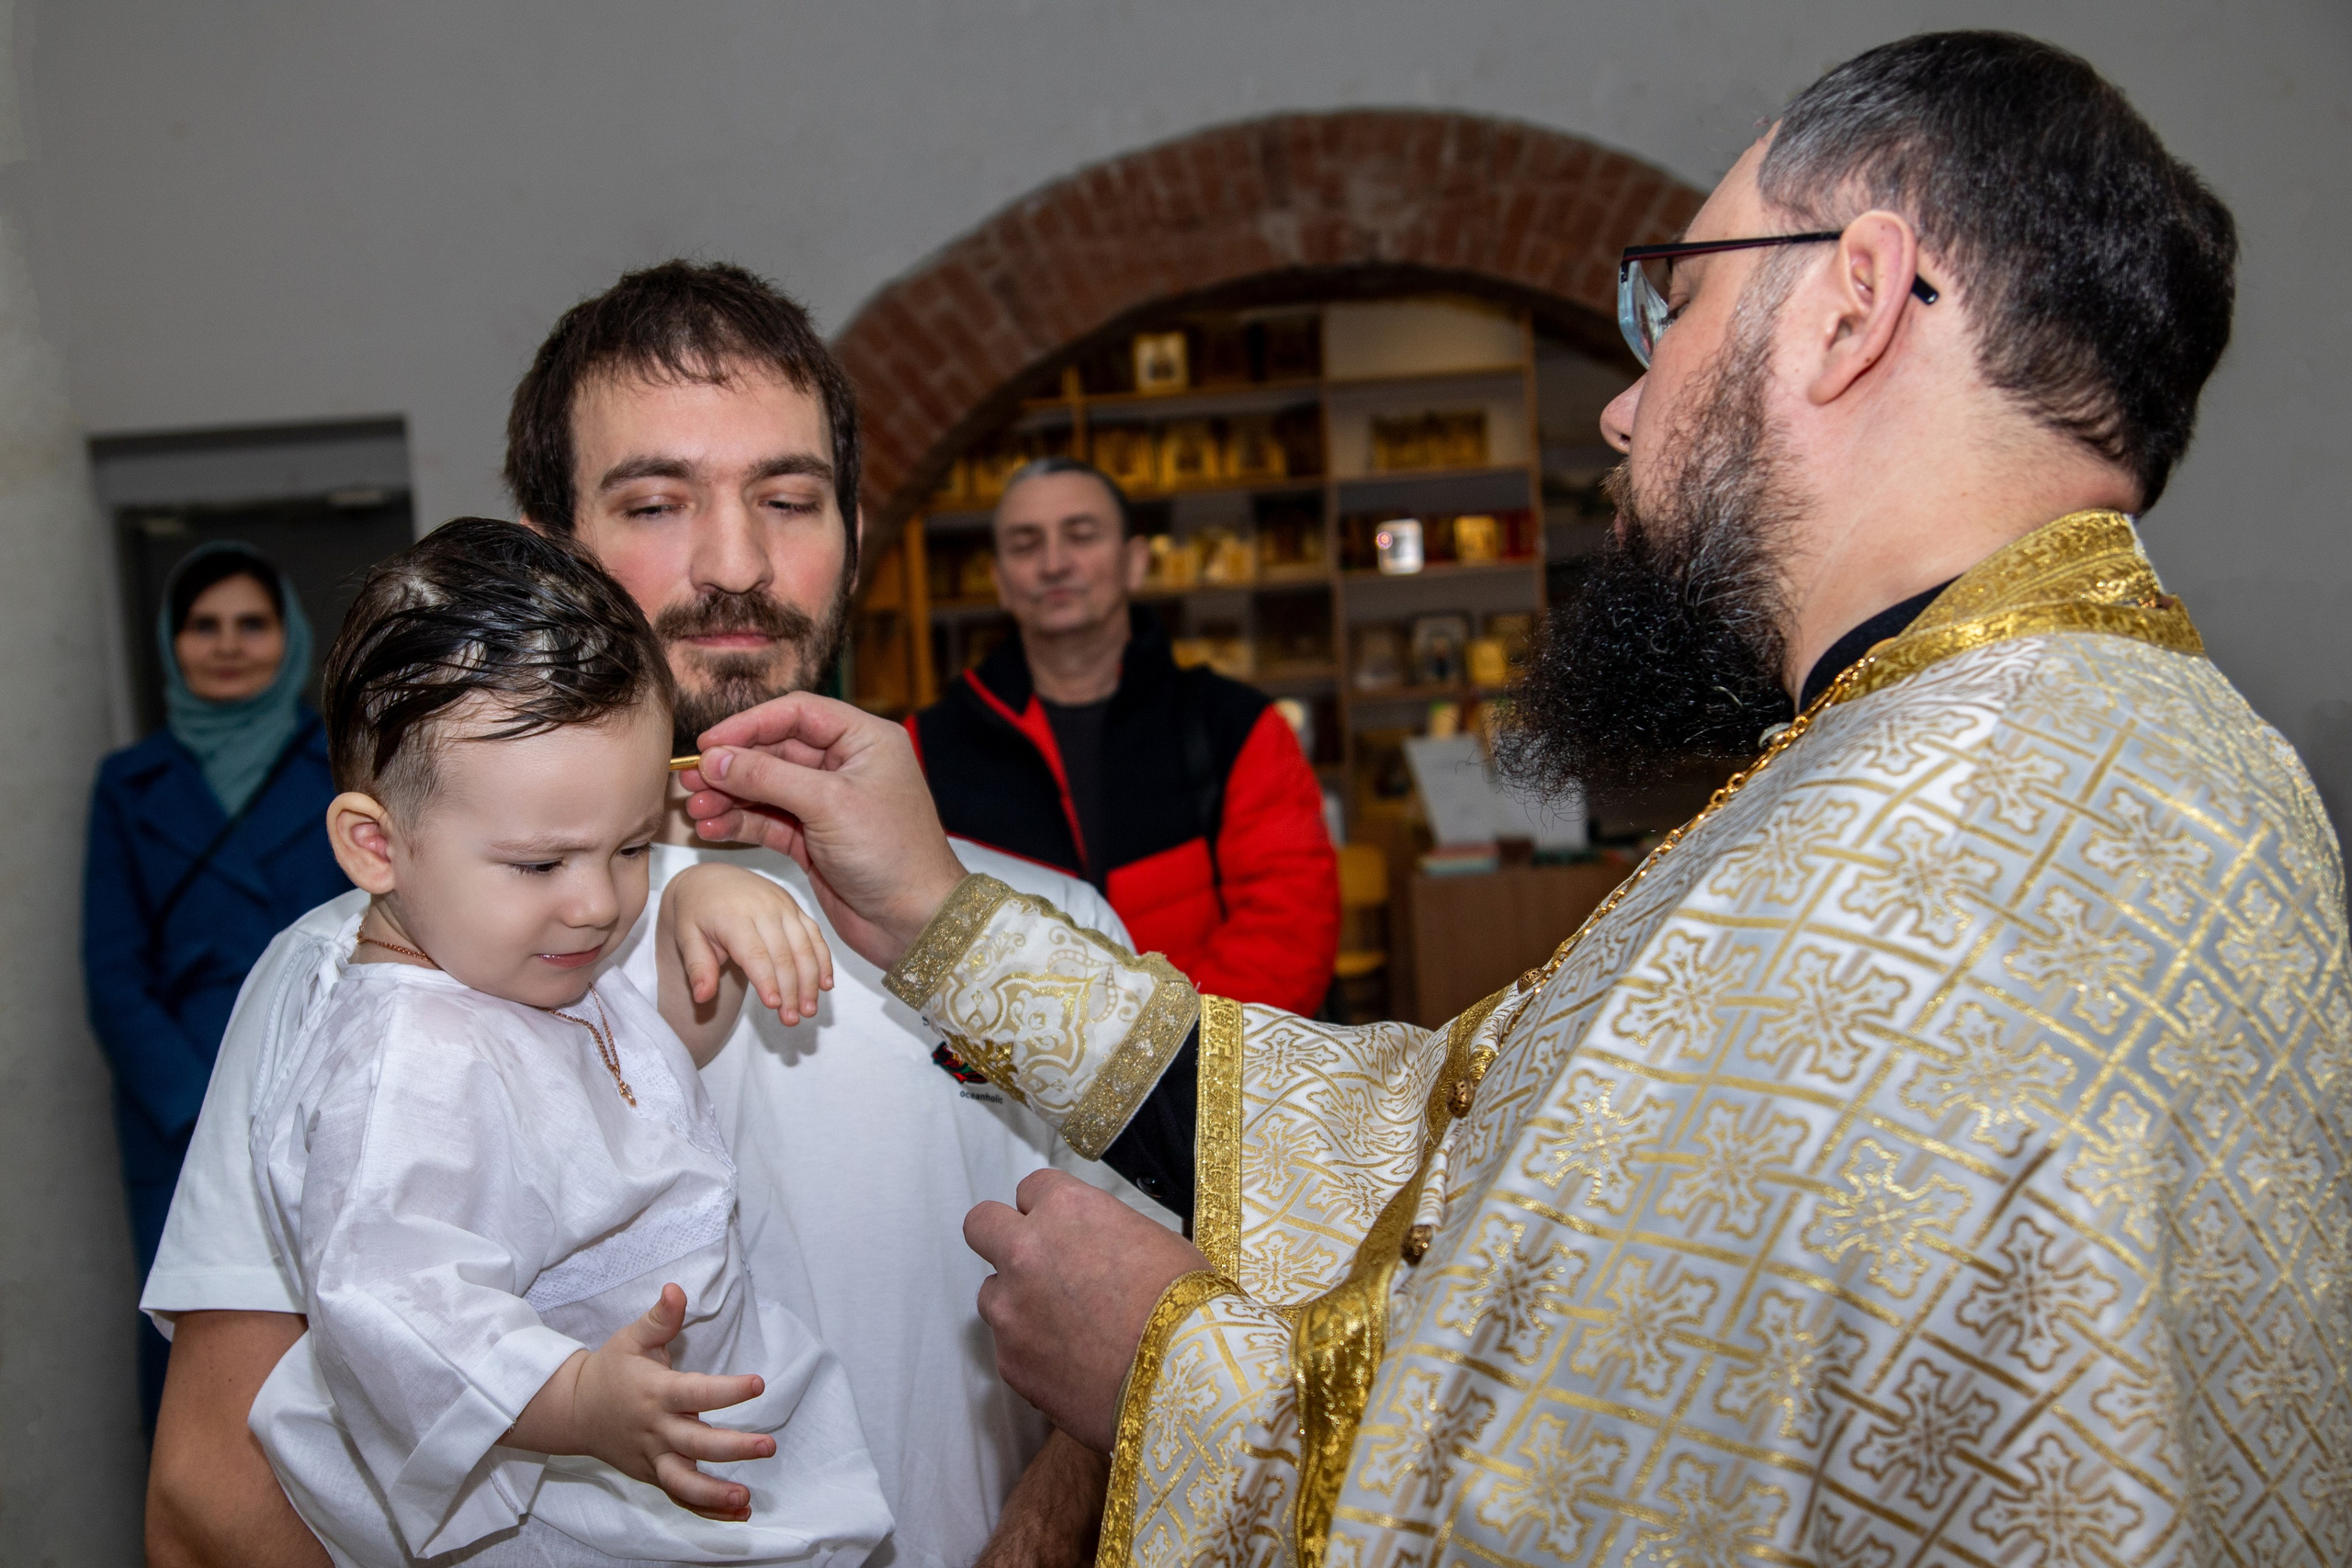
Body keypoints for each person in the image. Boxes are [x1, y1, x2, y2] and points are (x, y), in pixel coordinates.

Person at [678, 33, 2352, 1567]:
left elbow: (1607, 1494)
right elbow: (1467, 1149)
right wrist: (948, 925)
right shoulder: (2152, 768)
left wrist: (1168, 1377)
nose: (1627, 401)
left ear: (1853, 302)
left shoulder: (1910, 855)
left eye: (1672, 306)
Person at [142, 263, 1154, 1568]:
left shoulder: (1041, 934)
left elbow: (1163, 1332)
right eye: (656, 502)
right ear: (547, 550)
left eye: (789, 499)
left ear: (852, 526)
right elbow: (211, 1495)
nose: (736, 563)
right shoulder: (363, 964)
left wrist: (1036, 1533)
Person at [254, 518, 887, 1565]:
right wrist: (576, 1397)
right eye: (542, 864)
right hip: (576, 1504)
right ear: (377, 845)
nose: (599, 904)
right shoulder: (406, 1057)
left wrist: (698, 918)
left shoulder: (513, 964)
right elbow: (390, 1298)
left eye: (634, 845)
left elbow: (637, 1086)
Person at [907, 457, 1338, 1015]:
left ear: (1135, 562)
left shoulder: (1236, 724)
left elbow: (1289, 928)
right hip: (1004, 1087)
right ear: (999, 582)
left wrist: (1159, 1062)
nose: (1054, 563)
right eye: (1024, 544)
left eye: (1081, 536)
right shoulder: (926, 746)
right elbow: (917, 928)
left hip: (1207, 1075)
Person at [82, 541, 348, 1432]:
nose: (228, 644)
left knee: (346, 1338)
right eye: (204, 625)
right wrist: (209, 1117)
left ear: (290, 636)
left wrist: (298, 1098)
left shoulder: (346, 764)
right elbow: (114, 976)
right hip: (184, 1112)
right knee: (201, 1360)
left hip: (329, 1078)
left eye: (252, 623)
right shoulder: (128, 786)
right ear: (171, 642)